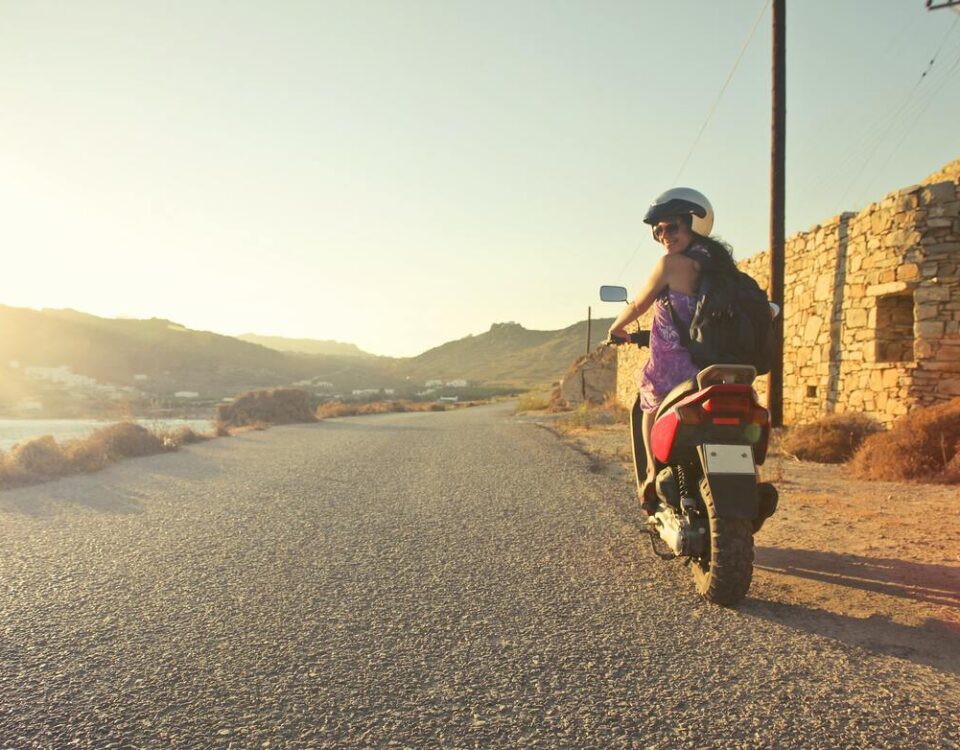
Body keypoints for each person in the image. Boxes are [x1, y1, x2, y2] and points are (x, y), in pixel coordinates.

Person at [607, 188, 736, 514]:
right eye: (658, 230)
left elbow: (638, 303)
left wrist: (616, 328)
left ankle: (651, 475)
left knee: (648, 403)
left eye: (672, 227)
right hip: (717, 366)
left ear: (692, 224)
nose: (664, 235)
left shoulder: (670, 265)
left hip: (676, 369)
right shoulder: (722, 267)